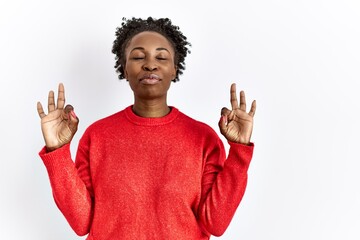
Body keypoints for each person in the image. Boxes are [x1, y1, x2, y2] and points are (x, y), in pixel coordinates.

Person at [37, 17, 256, 240]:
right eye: (138, 56)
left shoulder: (202, 138)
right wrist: (58, 152)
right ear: (124, 67)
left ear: (174, 69)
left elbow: (216, 224)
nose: (150, 64)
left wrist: (239, 151)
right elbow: (81, 222)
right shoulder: (97, 135)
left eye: (161, 57)